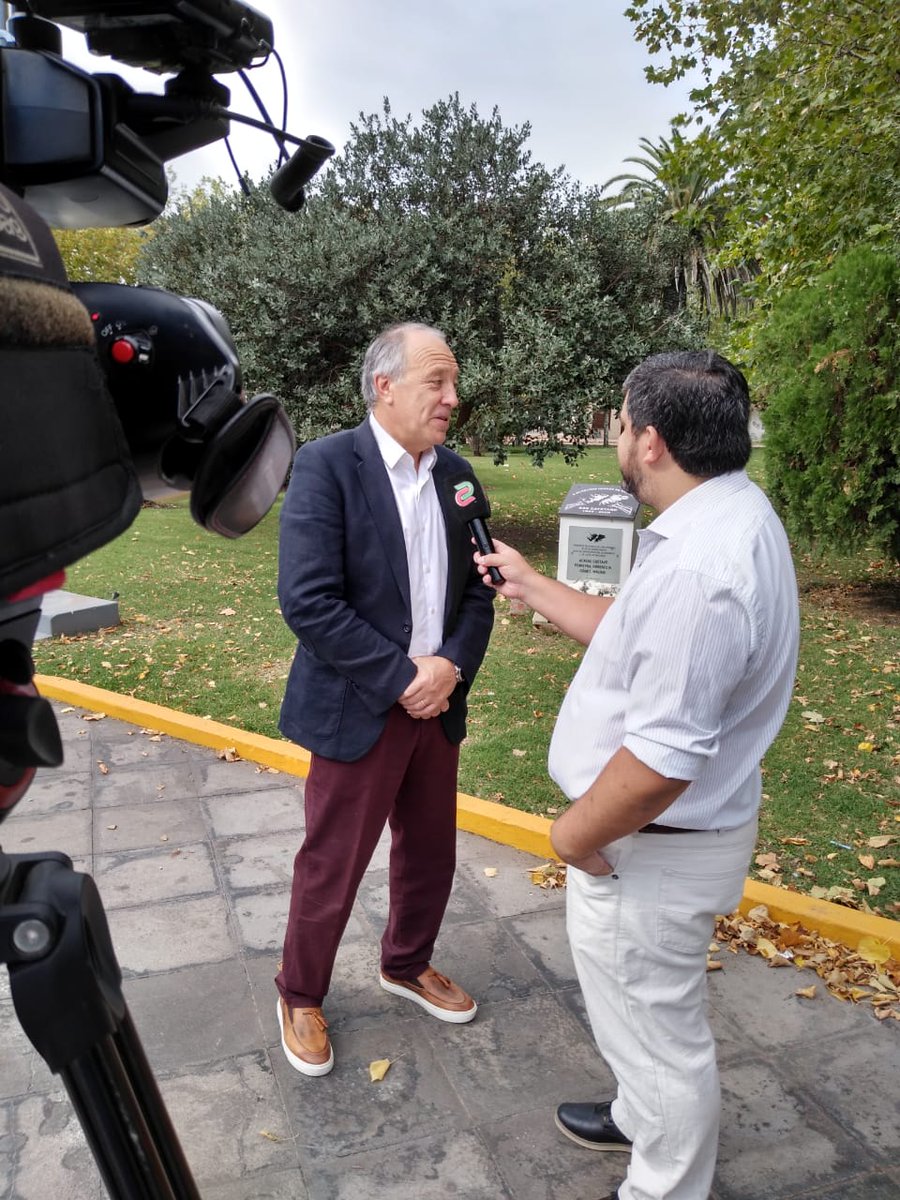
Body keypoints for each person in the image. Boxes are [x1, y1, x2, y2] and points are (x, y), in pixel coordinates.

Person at [475, 351, 799, 1200]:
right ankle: (637, 1114)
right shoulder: (721, 515)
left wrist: (570, 836)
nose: (615, 434)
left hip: (643, 846)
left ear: (648, 441)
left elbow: (661, 762)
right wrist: (535, 586)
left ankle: (663, 1182)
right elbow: (638, 639)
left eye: (619, 420)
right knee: (642, 1020)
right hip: (659, 840)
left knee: (661, 1036)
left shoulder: (701, 570)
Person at [275, 322, 495, 1076]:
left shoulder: (458, 475)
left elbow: (480, 595)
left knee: (431, 852)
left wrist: (448, 672)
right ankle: (299, 992)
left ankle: (406, 963)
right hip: (359, 707)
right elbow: (308, 601)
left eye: (453, 382)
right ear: (385, 385)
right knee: (333, 860)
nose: (452, 398)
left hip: (437, 708)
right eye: (437, 381)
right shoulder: (327, 466)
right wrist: (404, 677)